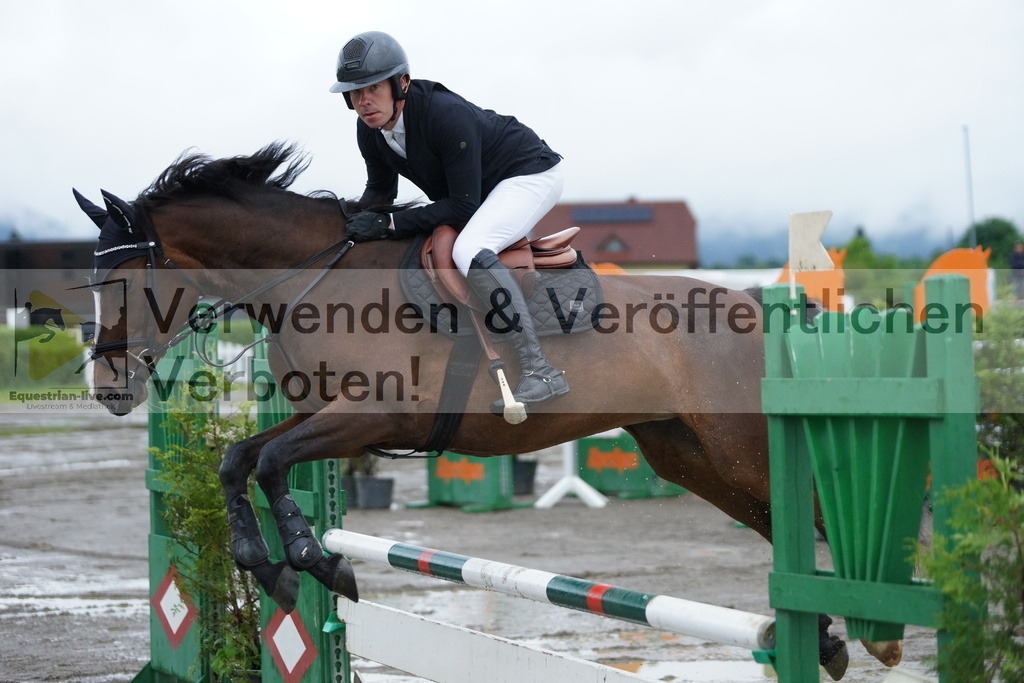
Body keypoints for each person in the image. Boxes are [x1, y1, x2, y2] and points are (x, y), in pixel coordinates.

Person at [329, 31, 569, 410]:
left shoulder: (443, 113)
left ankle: (541, 371)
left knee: (470, 248)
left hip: (528, 173)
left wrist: (390, 226)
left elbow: (461, 206)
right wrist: (341, 227)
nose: (364, 101)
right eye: (354, 92)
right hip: (479, 191)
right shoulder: (370, 130)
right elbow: (379, 196)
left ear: (401, 83)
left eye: (373, 87)